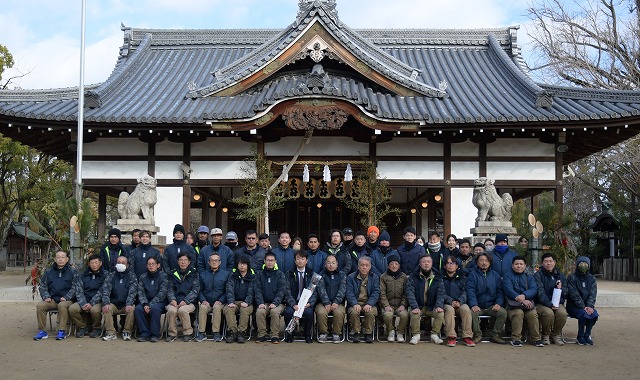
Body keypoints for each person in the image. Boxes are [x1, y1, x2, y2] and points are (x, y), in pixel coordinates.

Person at [34, 250, 76, 341]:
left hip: (67, 300)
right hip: (52, 299)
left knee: (62, 305)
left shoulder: (73, 271)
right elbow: (43, 286)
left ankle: (61, 330)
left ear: (67, 259)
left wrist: (66, 297)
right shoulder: (49, 272)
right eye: (58, 257)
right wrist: (46, 296)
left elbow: (75, 287)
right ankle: (42, 331)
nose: (60, 259)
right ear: (55, 259)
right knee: (40, 306)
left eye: (62, 257)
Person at [466, 252, 507, 344]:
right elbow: (470, 291)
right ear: (477, 262)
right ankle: (477, 335)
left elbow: (500, 291)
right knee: (472, 313)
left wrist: (498, 304)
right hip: (478, 305)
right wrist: (474, 304)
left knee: (503, 313)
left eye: (486, 261)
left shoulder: (495, 275)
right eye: (481, 260)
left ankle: (495, 335)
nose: (484, 263)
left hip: (491, 306)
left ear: (490, 262)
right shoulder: (472, 275)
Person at [503, 255, 543, 347]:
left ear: (525, 266)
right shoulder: (507, 276)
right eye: (516, 264)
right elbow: (508, 289)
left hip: (527, 303)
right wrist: (519, 298)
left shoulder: (529, 277)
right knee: (518, 313)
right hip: (512, 304)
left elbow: (534, 289)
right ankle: (516, 339)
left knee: (532, 314)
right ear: (512, 266)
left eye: (521, 264)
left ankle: (536, 338)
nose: (519, 266)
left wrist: (524, 296)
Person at [406, 254, 445, 345]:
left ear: (432, 264)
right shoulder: (413, 276)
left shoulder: (437, 277)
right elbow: (409, 292)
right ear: (420, 264)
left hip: (431, 306)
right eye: (423, 262)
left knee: (440, 313)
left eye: (428, 262)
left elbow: (441, 293)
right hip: (418, 305)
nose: (426, 264)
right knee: (414, 313)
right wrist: (414, 306)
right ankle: (416, 335)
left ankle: (434, 334)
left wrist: (438, 306)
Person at [69, 254, 107, 338]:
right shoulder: (83, 275)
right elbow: (79, 290)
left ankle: (97, 328)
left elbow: (103, 291)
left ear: (100, 263)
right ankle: (83, 327)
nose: (94, 265)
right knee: (72, 309)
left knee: (95, 311)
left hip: (98, 301)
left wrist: (92, 303)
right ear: (89, 264)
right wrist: (83, 303)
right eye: (92, 263)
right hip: (84, 299)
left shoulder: (106, 275)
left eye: (96, 263)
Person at [195, 251, 230, 342]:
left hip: (220, 302)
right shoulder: (203, 274)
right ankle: (201, 333)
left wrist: (221, 300)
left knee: (217, 307)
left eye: (216, 260)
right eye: (212, 260)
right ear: (208, 262)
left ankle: (216, 332)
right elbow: (199, 290)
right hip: (206, 301)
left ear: (220, 262)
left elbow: (228, 291)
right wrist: (203, 300)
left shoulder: (225, 274)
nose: (214, 262)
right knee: (202, 307)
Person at [534, 253, 568, 346]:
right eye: (546, 261)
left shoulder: (560, 275)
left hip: (557, 302)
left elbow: (566, 292)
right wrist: (549, 304)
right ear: (542, 263)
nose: (548, 263)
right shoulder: (538, 275)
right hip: (542, 303)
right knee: (548, 313)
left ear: (554, 263)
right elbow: (540, 292)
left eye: (550, 261)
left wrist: (560, 289)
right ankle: (545, 334)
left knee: (562, 313)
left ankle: (556, 334)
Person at [283, 250, 317, 343]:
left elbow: (315, 292)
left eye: (302, 259)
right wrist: (293, 304)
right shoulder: (289, 273)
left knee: (309, 313)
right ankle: (290, 334)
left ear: (306, 260)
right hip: (294, 302)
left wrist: (310, 303)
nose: (300, 261)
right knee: (288, 313)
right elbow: (287, 291)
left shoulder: (312, 274)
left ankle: (307, 334)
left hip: (307, 304)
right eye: (298, 259)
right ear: (295, 260)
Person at [165, 252, 200, 342]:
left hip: (189, 302)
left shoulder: (194, 273)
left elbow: (195, 290)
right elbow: (169, 289)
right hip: (174, 301)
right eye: (181, 260)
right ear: (178, 261)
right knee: (171, 310)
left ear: (189, 262)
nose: (183, 262)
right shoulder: (172, 274)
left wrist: (186, 300)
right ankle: (172, 334)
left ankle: (188, 332)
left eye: (185, 260)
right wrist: (172, 299)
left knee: (182, 310)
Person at [101, 255, 137, 341]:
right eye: (119, 262)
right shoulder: (111, 275)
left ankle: (127, 332)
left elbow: (133, 292)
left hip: (126, 304)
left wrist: (129, 304)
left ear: (127, 265)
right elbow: (105, 291)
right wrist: (106, 303)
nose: (121, 264)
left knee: (131, 309)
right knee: (106, 309)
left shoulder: (132, 276)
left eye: (123, 263)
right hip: (114, 303)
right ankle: (111, 333)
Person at [254, 251, 287, 343]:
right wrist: (260, 302)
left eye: (272, 260)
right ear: (264, 261)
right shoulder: (259, 274)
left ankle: (274, 335)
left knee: (274, 311)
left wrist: (275, 303)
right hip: (264, 302)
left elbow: (281, 291)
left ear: (275, 261)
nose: (270, 262)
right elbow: (257, 290)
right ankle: (261, 334)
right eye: (268, 260)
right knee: (260, 312)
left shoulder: (280, 274)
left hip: (278, 303)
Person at [442, 255, 475, 347]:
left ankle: (467, 336)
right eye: (448, 263)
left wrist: (460, 301)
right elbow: (441, 293)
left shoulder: (463, 278)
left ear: (457, 266)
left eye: (452, 263)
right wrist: (450, 301)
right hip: (447, 303)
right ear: (445, 266)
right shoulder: (441, 278)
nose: (450, 265)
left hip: (460, 302)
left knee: (466, 309)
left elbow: (465, 292)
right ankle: (451, 336)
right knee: (449, 310)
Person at [134, 256, 169, 342]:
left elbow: (162, 293)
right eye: (149, 264)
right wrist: (145, 303)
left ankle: (154, 334)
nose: (151, 266)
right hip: (146, 301)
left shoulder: (164, 276)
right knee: (138, 309)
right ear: (146, 266)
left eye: (153, 264)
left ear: (158, 265)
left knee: (155, 309)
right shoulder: (143, 276)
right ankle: (144, 333)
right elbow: (141, 292)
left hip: (160, 302)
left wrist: (150, 305)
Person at [346, 256, 380, 343]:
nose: (364, 267)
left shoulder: (375, 277)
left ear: (370, 266)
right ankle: (356, 332)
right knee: (353, 312)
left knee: (370, 312)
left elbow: (376, 292)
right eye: (362, 265)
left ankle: (368, 333)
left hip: (369, 303)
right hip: (355, 303)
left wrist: (370, 303)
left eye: (366, 265)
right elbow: (349, 292)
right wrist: (354, 303)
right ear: (358, 266)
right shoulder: (351, 277)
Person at [567, 256, 599, 345]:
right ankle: (580, 336)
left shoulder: (592, 278)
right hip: (574, 306)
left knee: (594, 314)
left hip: (587, 306)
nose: (583, 266)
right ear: (577, 265)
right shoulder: (572, 278)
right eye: (581, 263)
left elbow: (593, 294)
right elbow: (574, 295)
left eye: (585, 264)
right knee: (583, 314)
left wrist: (589, 306)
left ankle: (587, 334)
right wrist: (583, 307)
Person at [222, 255, 254, 343]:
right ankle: (233, 332)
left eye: (244, 264)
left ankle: (241, 332)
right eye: (240, 264)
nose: (242, 266)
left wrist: (247, 302)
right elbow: (229, 289)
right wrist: (231, 302)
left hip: (247, 303)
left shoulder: (252, 277)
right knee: (228, 309)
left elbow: (252, 292)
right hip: (234, 301)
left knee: (244, 310)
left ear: (248, 265)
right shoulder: (232, 276)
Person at [315, 255, 347, 344]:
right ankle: (323, 333)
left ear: (337, 264)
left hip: (338, 303)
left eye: (333, 263)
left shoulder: (342, 275)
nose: (331, 265)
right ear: (325, 264)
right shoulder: (320, 275)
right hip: (323, 302)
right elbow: (320, 289)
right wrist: (326, 303)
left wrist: (336, 302)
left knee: (339, 312)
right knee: (321, 312)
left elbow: (343, 289)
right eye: (328, 263)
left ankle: (336, 333)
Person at [379, 254, 408, 343]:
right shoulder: (383, 277)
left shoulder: (404, 277)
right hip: (388, 304)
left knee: (405, 315)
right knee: (388, 315)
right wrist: (386, 305)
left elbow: (407, 293)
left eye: (396, 264)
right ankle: (390, 331)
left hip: (400, 305)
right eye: (391, 264)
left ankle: (400, 332)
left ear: (399, 265)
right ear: (388, 265)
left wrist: (403, 305)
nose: (394, 266)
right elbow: (382, 293)